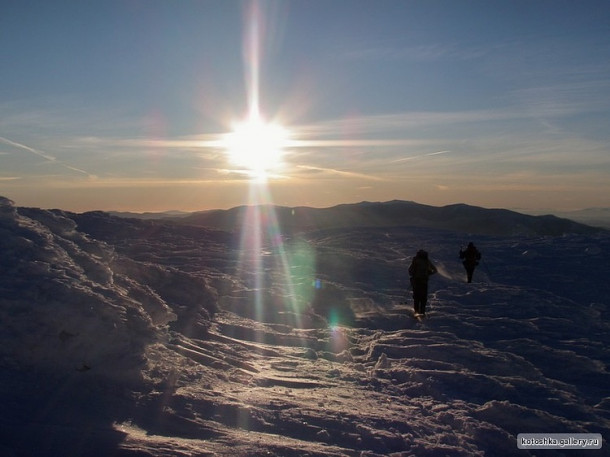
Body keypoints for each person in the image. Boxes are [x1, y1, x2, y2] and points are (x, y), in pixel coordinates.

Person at [408, 249, 437, 316]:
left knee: (416, 297)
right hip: (424, 281)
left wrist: (414, 274)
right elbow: (435, 270)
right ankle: (422, 311)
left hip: (416, 281)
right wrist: (428, 273)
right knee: (423, 297)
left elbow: (410, 270)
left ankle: (416, 312)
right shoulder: (427, 261)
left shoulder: (415, 261)